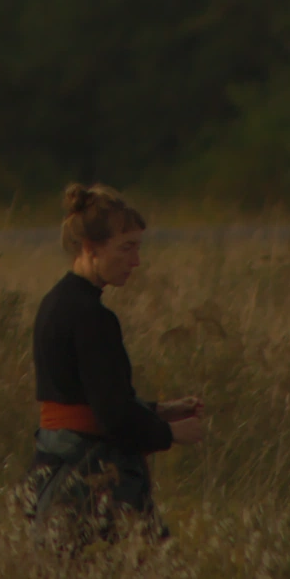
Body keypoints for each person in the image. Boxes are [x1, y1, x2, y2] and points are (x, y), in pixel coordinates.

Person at [25, 181, 204, 541]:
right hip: (91, 478)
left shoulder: (55, 303)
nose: (136, 261)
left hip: (54, 467)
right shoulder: (92, 317)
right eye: (126, 248)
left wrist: (158, 409)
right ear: (91, 248)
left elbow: (82, 398)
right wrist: (170, 434)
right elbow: (112, 415)